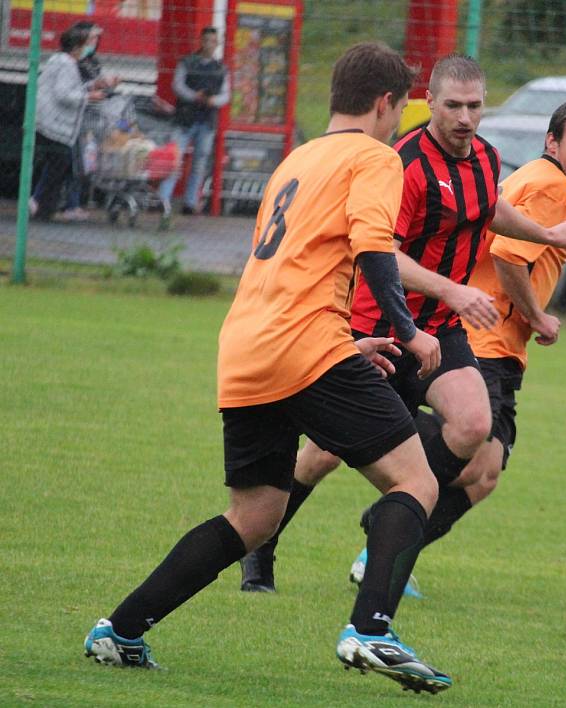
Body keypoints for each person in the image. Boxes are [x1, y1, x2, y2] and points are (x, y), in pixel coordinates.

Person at [84, 41, 455, 695]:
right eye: (403, 109)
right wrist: (407, 330)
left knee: (254, 516)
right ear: (384, 103)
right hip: (302, 347)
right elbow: (374, 248)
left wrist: (348, 340)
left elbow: (298, 266)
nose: (401, 122)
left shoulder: (300, 158)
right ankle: (370, 630)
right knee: (417, 481)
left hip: (249, 347)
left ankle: (121, 629)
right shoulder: (374, 156)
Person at [239, 55, 566, 595]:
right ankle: (261, 546)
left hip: (442, 330)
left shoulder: (485, 157)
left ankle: (395, 513)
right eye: (453, 106)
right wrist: (451, 288)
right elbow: (383, 254)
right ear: (430, 102)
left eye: (475, 106)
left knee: (475, 424)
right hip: (382, 322)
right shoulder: (402, 162)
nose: (465, 118)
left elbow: (489, 208)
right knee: (323, 454)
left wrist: (548, 234)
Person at [413, 98, 566, 556]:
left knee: (485, 471)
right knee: (474, 460)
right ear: (551, 141)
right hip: (486, 340)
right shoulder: (553, 188)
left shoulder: (529, 176)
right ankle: (386, 509)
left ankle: (388, 540)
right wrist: (538, 317)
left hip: (492, 341)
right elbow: (508, 255)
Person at [28, 26, 108, 222]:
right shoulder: (65, 63)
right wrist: (89, 95)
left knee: (58, 162)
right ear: (76, 46)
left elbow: (70, 88)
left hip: (54, 123)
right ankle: (39, 203)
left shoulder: (66, 63)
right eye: (88, 43)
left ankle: (42, 205)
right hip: (53, 123)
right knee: (59, 161)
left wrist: (91, 86)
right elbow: (63, 94)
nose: (91, 47)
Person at [158, 26, 230, 225]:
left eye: (213, 41)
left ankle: (190, 202)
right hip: (185, 118)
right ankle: (163, 199)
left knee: (199, 163)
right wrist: (194, 96)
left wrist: (212, 101)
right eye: (206, 40)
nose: (209, 45)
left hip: (206, 120)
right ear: (201, 41)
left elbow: (226, 94)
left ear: (217, 43)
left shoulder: (221, 68)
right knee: (174, 159)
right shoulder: (187, 62)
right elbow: (178, 85)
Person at [57, 21, 120, 222]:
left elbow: (98, 88)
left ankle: (74, 202)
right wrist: (93, 90)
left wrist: (108, 86)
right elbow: (72, 90)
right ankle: (69, 203)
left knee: (84, 162)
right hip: (75, 118)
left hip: (93, 118)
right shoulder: (70, 62)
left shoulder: (91, 61)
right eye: (92, 38)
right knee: (74, 163)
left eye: (96, 39)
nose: (95, 42)